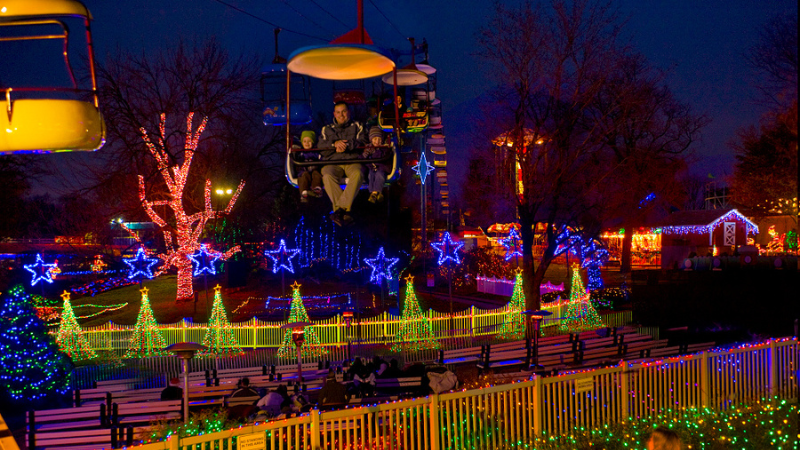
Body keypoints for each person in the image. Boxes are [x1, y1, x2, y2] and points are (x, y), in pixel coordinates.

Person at [318, 102, 366, 226]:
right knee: (327, 175)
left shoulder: (358, 125)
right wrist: (334, 145)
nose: (341, 115)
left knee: (358, 173)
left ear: (348, 112)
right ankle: (344, 212)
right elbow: (321, 147)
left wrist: (347, 145)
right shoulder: (326, 129)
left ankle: (339, 210)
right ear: (334, 114)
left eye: (344, 111)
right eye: (338, 112)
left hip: (352, 160)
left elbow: (362, 142)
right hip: (334, 162)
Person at [362, 127, 390, 204]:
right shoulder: (368, 148)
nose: (377, 141)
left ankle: (376, 192)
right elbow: (363, 159)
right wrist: (365, 154)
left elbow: (382, 157)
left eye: (379, 139)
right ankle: (372, 192)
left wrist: (376, 151)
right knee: (370, 176)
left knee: (379, 175)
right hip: (371, 167)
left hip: (381, 167)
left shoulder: (384, 148)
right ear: (371, 139)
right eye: (375, 139)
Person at [294, 130, 324, 203]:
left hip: (314, 169)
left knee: (316, 174)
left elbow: (321, 159)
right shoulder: (301, 153)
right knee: (304, 176)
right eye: (304, 141)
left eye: (309, 141)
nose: (307, 143)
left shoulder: (316, 152)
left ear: (313, 142)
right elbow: (297, 160)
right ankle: (304, 192)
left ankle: (317, 189)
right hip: (304, 170)